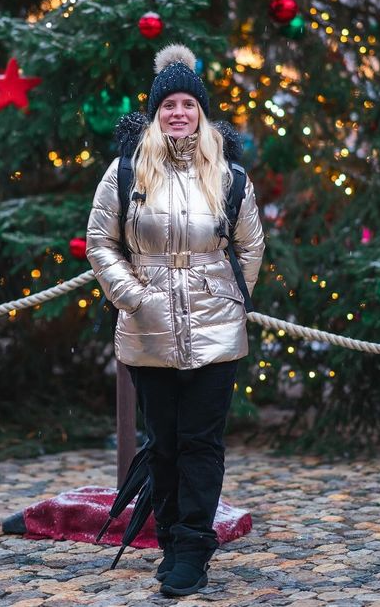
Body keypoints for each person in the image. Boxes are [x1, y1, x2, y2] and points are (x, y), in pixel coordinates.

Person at [85, 43, 265, 597]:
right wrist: (134, 298)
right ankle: (167, 537)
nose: (179, 113)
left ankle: (192, 548)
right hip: (147, 325)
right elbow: (101, 241)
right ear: (157, 112)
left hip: (216, 329)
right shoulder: (126, 172)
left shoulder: (230, 177)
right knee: (163, 441)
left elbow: (250, 244)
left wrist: (231, 301)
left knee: (201, 442)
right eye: (169, 105)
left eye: (188, 103)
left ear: (201, 112)